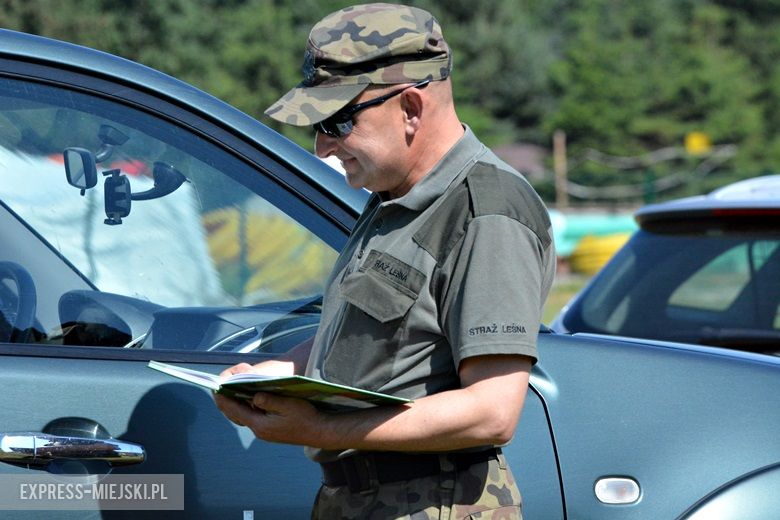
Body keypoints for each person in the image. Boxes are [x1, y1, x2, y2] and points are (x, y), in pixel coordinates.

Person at [215, 3, 556, 518]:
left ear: (411, 109)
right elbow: (374, 339)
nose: (323, 145)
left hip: (434, 500)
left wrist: (321, 429)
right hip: (366, 497)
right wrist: (273, 376)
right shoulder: (393, 198)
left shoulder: (486, 210)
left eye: (338, 120)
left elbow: (492, 410)